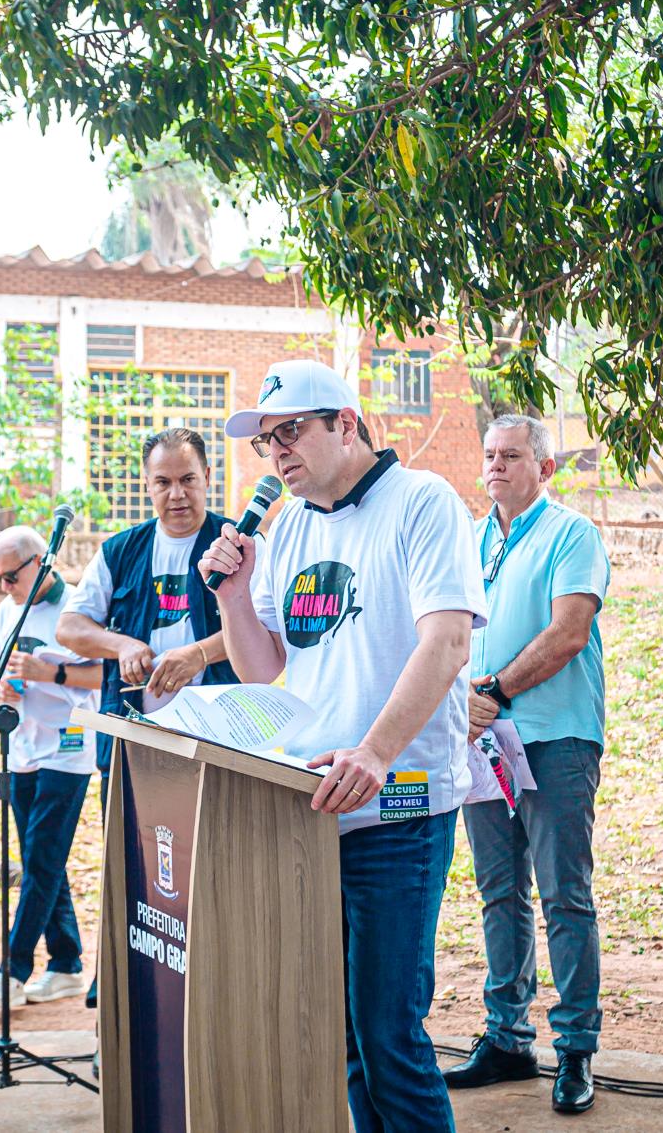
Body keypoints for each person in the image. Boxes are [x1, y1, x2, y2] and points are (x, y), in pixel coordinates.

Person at [198, 359, 486, 1133]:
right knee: (347, 1036)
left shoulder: (422, 502)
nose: (277, 452)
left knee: (390, 1034)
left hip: (399, 800)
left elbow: (449, 641)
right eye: (266, 440)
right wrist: (231, 594)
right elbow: (267, 669)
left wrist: (375, 751)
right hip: (309, 805)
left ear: (346, 424)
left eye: (291, 430)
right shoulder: (287, 527)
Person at [442, 415, 610, 1115]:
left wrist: (497, 690)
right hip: (482, 742)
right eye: (489, 455)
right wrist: (466, 701)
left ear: (544, 467)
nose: (496, 466)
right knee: (498, 892)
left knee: (564, 894)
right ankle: (507, 1036)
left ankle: (575, 1048)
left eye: (511, 456)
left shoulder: (573, 533)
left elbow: (569, 630)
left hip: (553, 737)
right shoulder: (473, 540)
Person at [58, 426, 239, 787]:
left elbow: (269, 627)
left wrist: (200, 654)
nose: (177, 494)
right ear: (147, 485)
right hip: (130, 735)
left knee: (213, 840)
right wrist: (121, 644)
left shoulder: (238, 543)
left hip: (218, 737)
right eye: (163, 483)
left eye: (187, 479)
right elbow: (68, 627)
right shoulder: (120, 550)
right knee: (128, 841)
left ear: (207, 477)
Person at [0, 524, 102, 1009]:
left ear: (40, 562)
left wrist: (48, 672)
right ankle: (67, 962)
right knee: (39, 861)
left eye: (11, 576)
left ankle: (15, 967)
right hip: (22, 747)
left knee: (43, 859)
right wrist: (3, 690)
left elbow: (104, 673)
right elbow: (0, 666)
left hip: (68, 748)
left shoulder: (77, 608)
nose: (5, 587)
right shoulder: (8, 609)